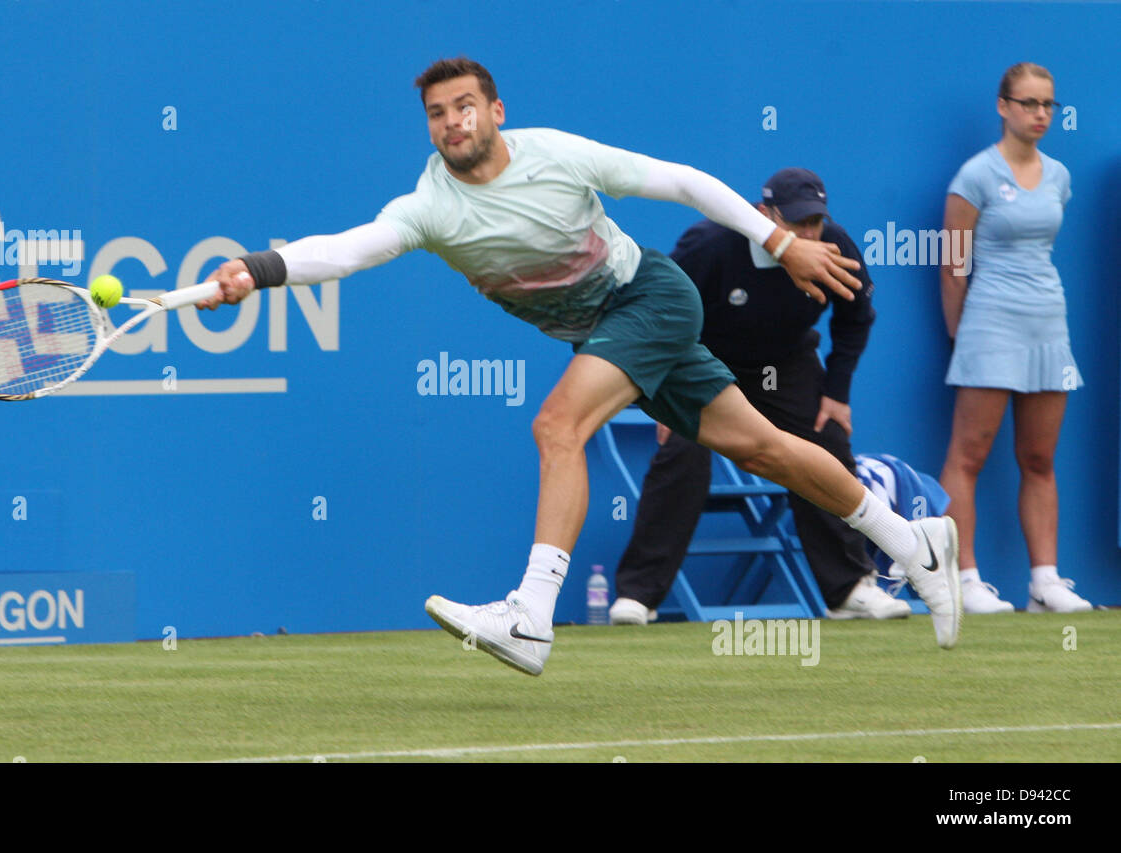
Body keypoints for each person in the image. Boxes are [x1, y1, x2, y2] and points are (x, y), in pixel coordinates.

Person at [201, 57, 962, 675]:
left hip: (651, 298)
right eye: (437, 113)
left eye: (465, 105)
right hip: (606, 330)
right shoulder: (429, 206)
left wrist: (779, 241)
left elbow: (683, 181)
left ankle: (531, 616)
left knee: (556, 424)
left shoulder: (557, 154)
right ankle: (912, 541)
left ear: (496, 111)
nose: (452, 122)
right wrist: (256, 269)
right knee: (764, 447)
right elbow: (347, 248)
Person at [607, 168, 910, 625]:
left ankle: (849, 589)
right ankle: (638, 595)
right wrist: (666, 386)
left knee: (824, 441)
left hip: (785, 365)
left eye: (815, 223)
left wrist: (837, 393)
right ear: (762, 214)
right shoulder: (708, 244)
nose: (809, 234)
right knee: (682, 454)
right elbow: (663, 310)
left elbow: (856, 316)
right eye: (797, 223)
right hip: (703, 364)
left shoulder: (837, 246)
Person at [938, 62, 1091, 614]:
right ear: (1003, 107)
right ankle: (966, 579)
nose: (1040, 114)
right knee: (970, 454)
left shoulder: (1059, 175)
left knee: (1039, 457)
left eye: (1047, 104)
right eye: (1029, 103)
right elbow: (954, 266)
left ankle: (1045, 582)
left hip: (1048, 320)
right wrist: (963, 335)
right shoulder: (974, 177)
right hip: (989, 322)